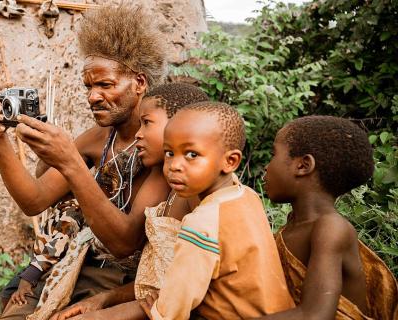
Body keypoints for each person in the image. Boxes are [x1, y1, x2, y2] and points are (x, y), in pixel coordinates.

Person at [0, 4, 170, 319]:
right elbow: (34, 199)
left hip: (126, 278)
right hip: (82, 257)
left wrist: (70, 163)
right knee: (14, 300)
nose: (93, 96)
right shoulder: (98, 137)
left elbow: (125, 243)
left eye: (105, 85)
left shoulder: (164, 147)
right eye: (89, 86)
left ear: (139, 83)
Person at [50, 83, 209, 320]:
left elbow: (177, 296)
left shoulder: (201, 202)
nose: (138, 133)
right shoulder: (173, 188)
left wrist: (102, 315)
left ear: (179, 127)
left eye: (147, 123)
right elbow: (156, 287)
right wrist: (103, 300)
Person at [140, 102, 295, 320]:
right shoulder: (247, 196)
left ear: (230, 161)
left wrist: (160, 313)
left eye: (191, 154)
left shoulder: (203, 222)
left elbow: (174, 305)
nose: (174, 165)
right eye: (169, 153)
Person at [255, 116, 398, 320]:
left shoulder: (331, 228)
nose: (267, 167)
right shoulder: (292, 225)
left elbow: (315, 315)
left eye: (273, 154)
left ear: (303, 165)